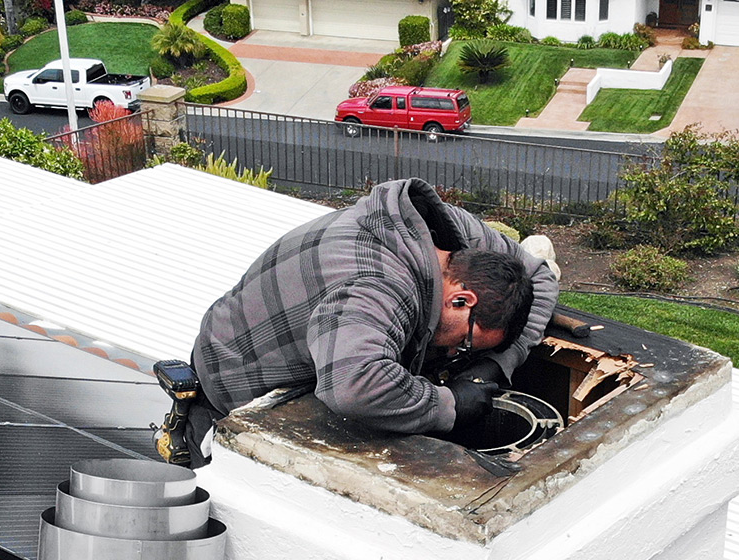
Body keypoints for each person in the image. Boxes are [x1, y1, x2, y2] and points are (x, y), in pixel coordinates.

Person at [168, 178, 558, 467]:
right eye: (466, 345)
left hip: (314, 355)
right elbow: (353, 387)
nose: (458, 354)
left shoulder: (453, 237)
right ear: (461, 298)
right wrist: (449, 404)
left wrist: (497, 362)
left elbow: (538, 278)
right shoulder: (379, 286)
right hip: (232, 397)